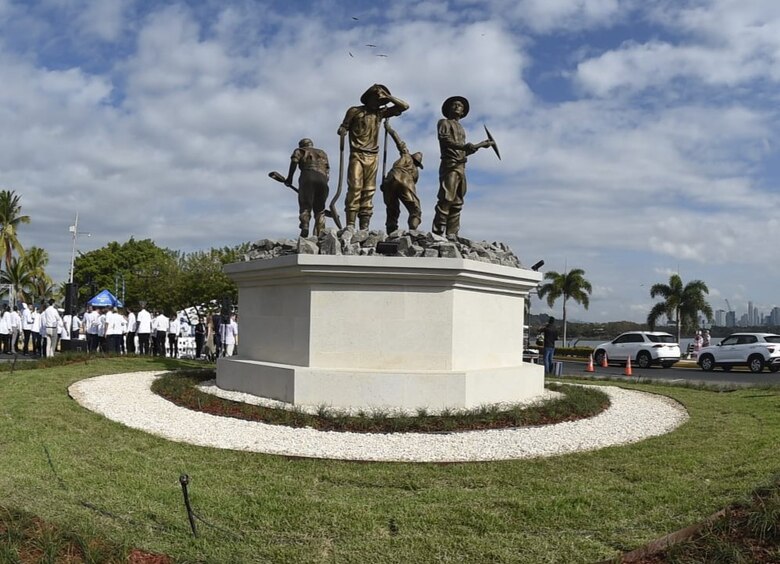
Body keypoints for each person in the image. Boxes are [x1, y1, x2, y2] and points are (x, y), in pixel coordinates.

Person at [338, 84, 409, 230]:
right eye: (376, 98)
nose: (378, 102)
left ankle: (364, 227)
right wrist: (343, 130)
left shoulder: (380, 114)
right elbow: (343, 127)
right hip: (357, 154)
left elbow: (404, 106)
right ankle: (350, 225)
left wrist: (388, 97)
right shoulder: (354, 111)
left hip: (372, 156)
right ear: (369, 97)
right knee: (355, 187)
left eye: (381, 100)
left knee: (369, 190)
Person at [432, 96, 495, 237]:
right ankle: (437, 232)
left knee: (457, 201)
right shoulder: (444, 122)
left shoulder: (461, 128)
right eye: (454, 105)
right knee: (447, 197)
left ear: (463, 112)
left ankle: (452, 234)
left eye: (460, 106)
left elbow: (462, 151)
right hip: (450, 165)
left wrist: (479, 146)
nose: (457, 107)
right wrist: (464, 146)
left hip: (461, 166)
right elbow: (445, 140)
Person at [380, 120, 423, 233]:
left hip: (390, 178)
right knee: (415, 209)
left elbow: (398, 140)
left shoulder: (405, 155)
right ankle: (413, 231)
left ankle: (391, 230)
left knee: (392, 208)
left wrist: (389, 129)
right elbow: (410, 187)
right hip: (405, 180)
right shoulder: (415, 172)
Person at [285, 138, 330, 237]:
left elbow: (294, 161)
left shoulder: (300, 150)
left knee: (305, 205)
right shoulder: (323, 153)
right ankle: (320, 232)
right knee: (320, 210)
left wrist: (289, 178)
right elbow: (327, 171)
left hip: (307, 177)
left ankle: (305, 225)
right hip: (323, 181)